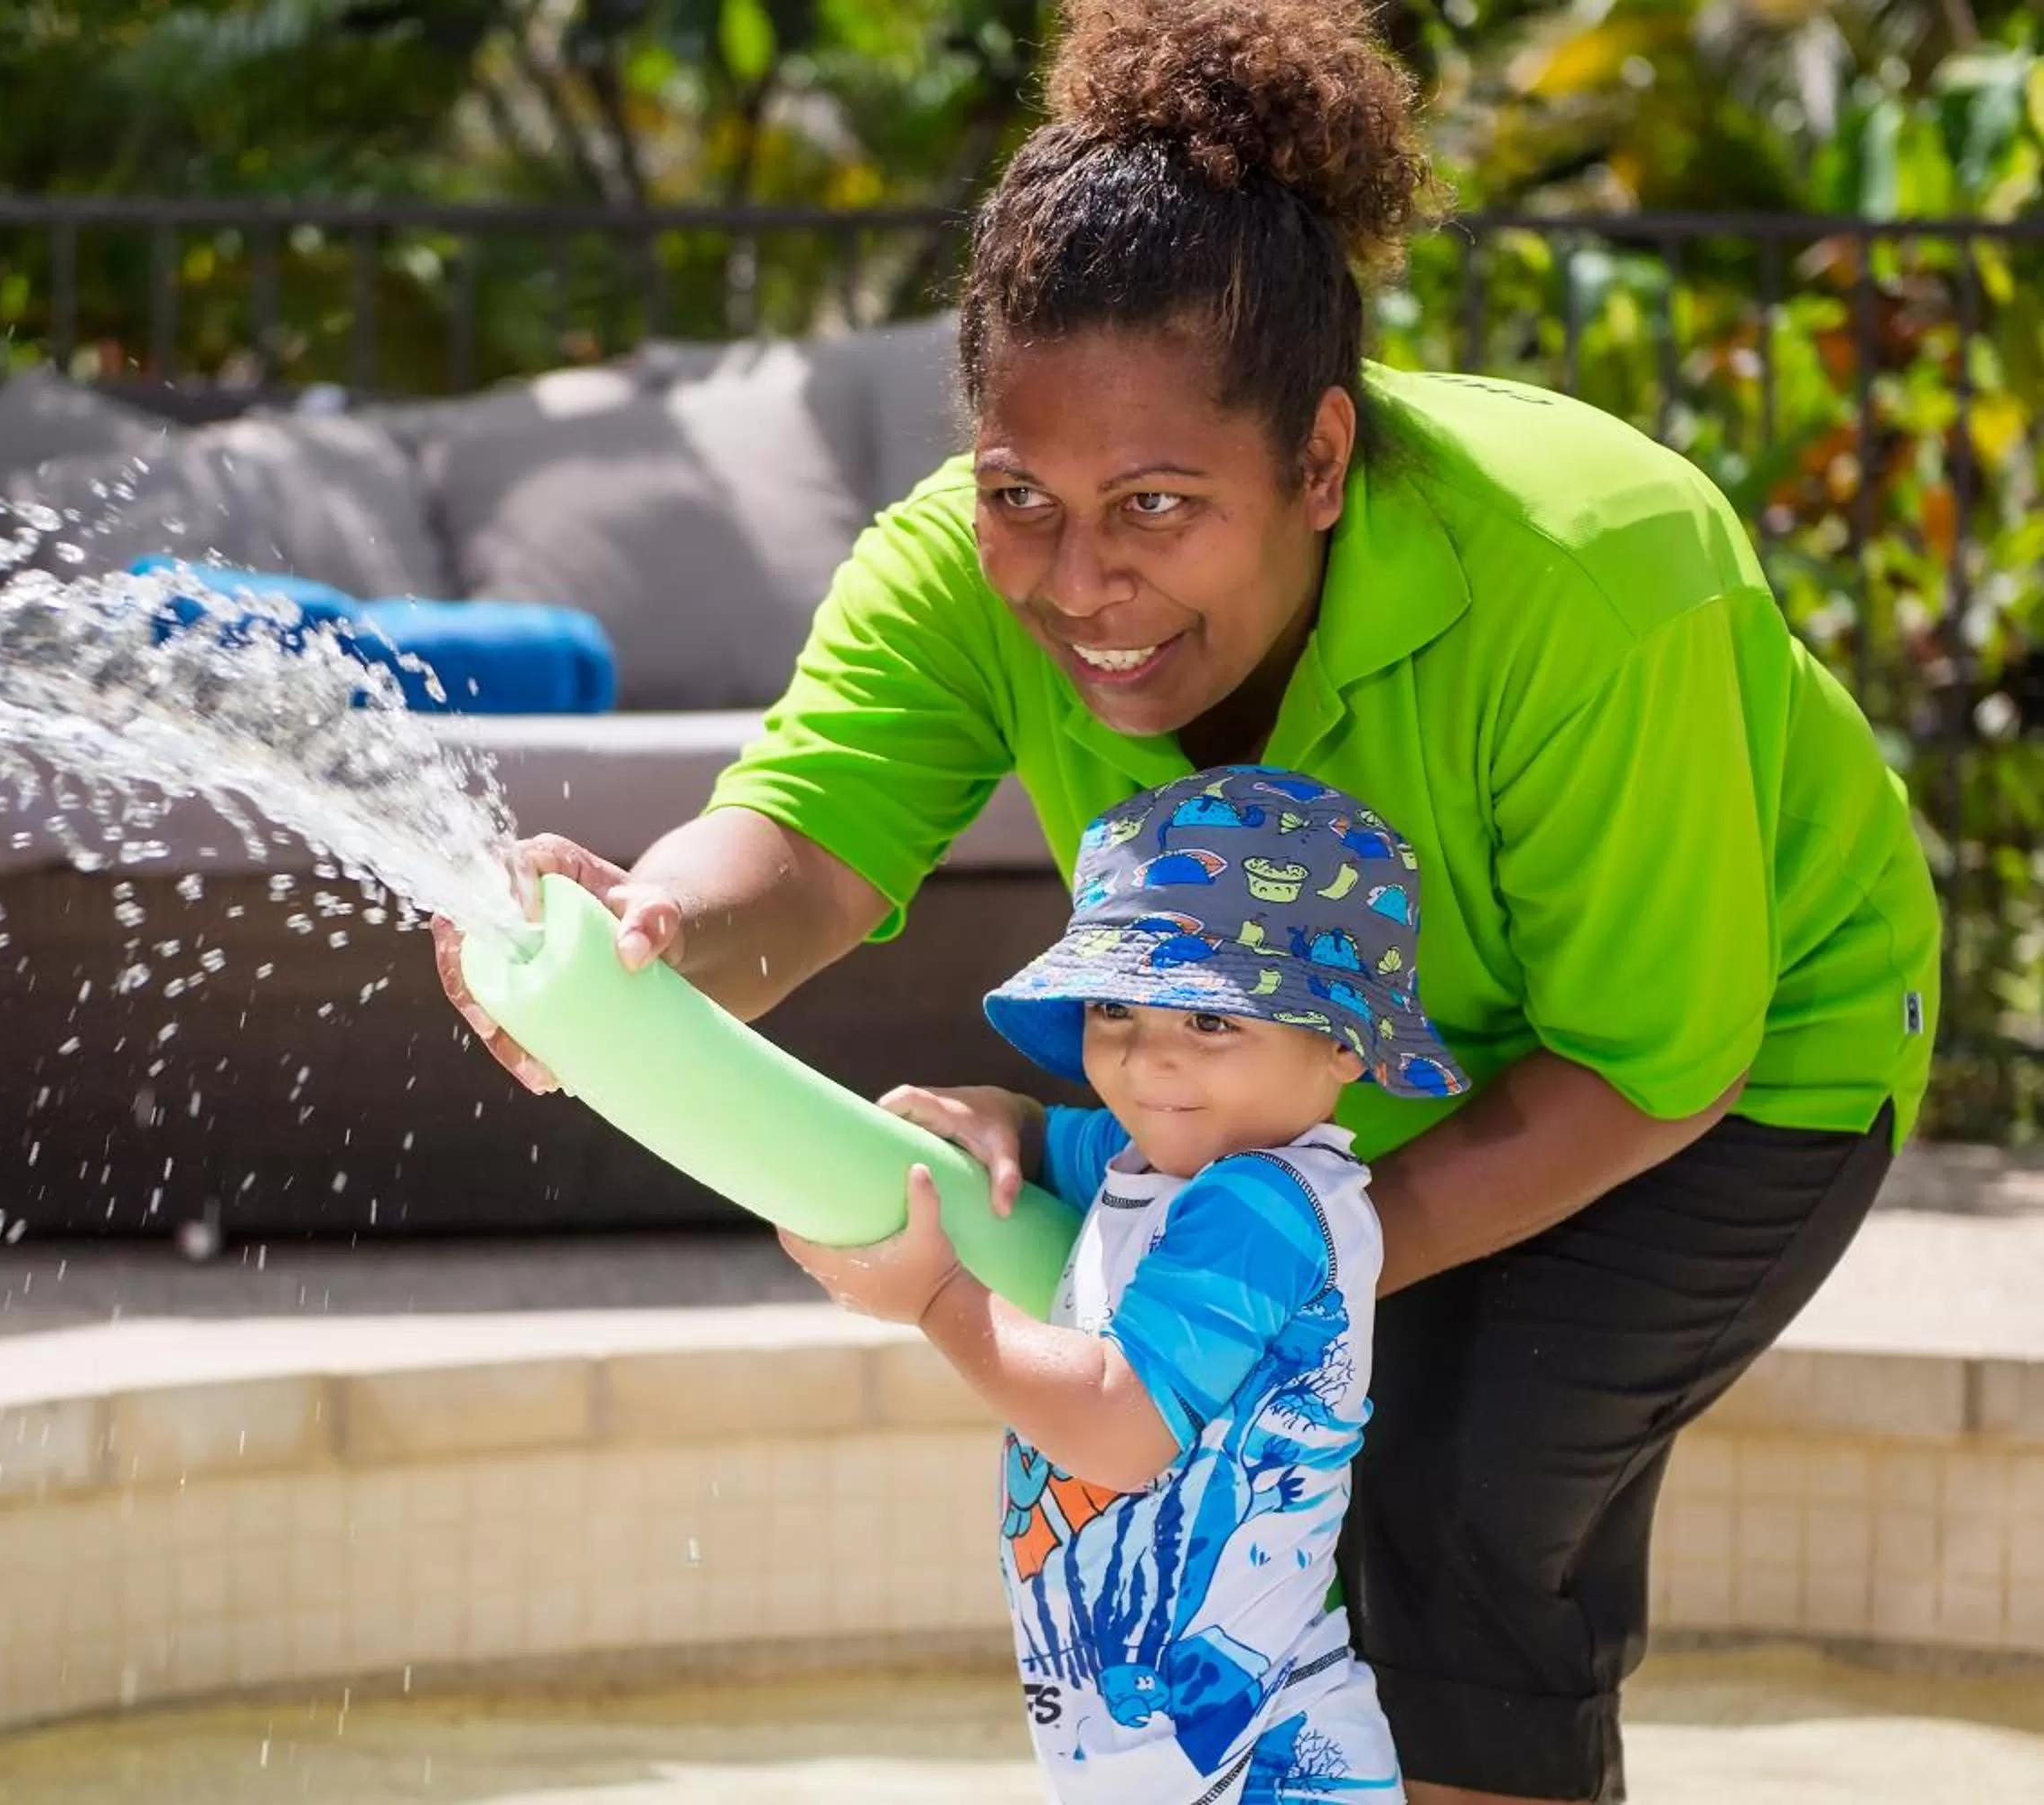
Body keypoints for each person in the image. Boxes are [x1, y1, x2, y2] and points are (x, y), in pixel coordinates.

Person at [436, 0, 1940, 1797]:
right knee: (1259, 1534)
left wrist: (1257, 1257)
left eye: (1157, 501)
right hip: (1329, 1092)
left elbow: (1645, 1066)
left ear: (1316, 460)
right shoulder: (954, 570)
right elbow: (809, 840)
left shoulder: (1594, 579)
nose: (1085, 581)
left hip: (1736, 1057)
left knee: (1452, 1500)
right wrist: (647, 930)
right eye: (1024, 495)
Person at [783, 766, 1455, 1802]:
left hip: (1267, 1762)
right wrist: (996, 1116)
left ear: (1341, 1044)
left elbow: (1117, 1427)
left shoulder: (1267, 1208)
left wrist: (932, 1300)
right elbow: (1051, 1137)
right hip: (1146, 1742)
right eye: (1116, 1010)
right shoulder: (1158, 1158)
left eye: (1212, 1023)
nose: (1149, 1065)